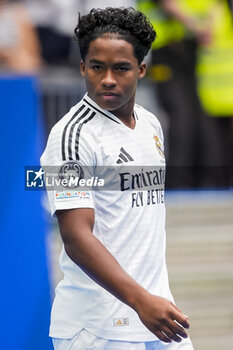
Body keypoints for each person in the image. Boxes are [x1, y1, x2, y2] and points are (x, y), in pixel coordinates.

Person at [41, 7, 194, 350]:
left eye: (121, 68)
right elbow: (77, 236)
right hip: (98, 327)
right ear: (83, 67)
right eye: (97, 67)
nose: (107, 78)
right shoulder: (71, 137)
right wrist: (139, 300)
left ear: (141, 70)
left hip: (156, 315)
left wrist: (149, 301)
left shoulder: (151, 124)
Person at [0, 0, 41, 73]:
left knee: (24, 60)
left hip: (16, 70)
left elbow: (33, 55)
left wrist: (12, 56)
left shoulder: (18, 13)